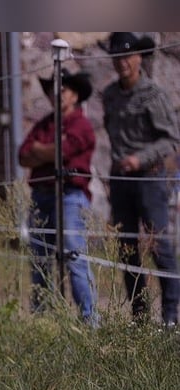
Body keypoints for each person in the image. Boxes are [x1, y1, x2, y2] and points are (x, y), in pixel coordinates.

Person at [101, 32, 180, 325]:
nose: (122, 63)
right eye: (117, 57)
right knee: (127, 249)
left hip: (149, 178)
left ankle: (170, 316)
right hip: (121, 181)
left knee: (159, 246)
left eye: (127, 56)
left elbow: (170, 139)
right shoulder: (109, 95)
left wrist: (141, 158)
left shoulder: (153, 94)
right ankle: (140, 317)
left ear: (138, 58)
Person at [19, 68, 98, 324]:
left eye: (62, 89)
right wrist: (51, 150)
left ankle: (90, 320)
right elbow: (23, 154)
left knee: (74, 257)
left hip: (70, 196)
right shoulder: (45, 124)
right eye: (53, 89)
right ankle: (44, 319)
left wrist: (41, 151)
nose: (56, 94)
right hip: (41, 195)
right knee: (40, 259)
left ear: (74, 95)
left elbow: (66, 150)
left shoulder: (82, 124)